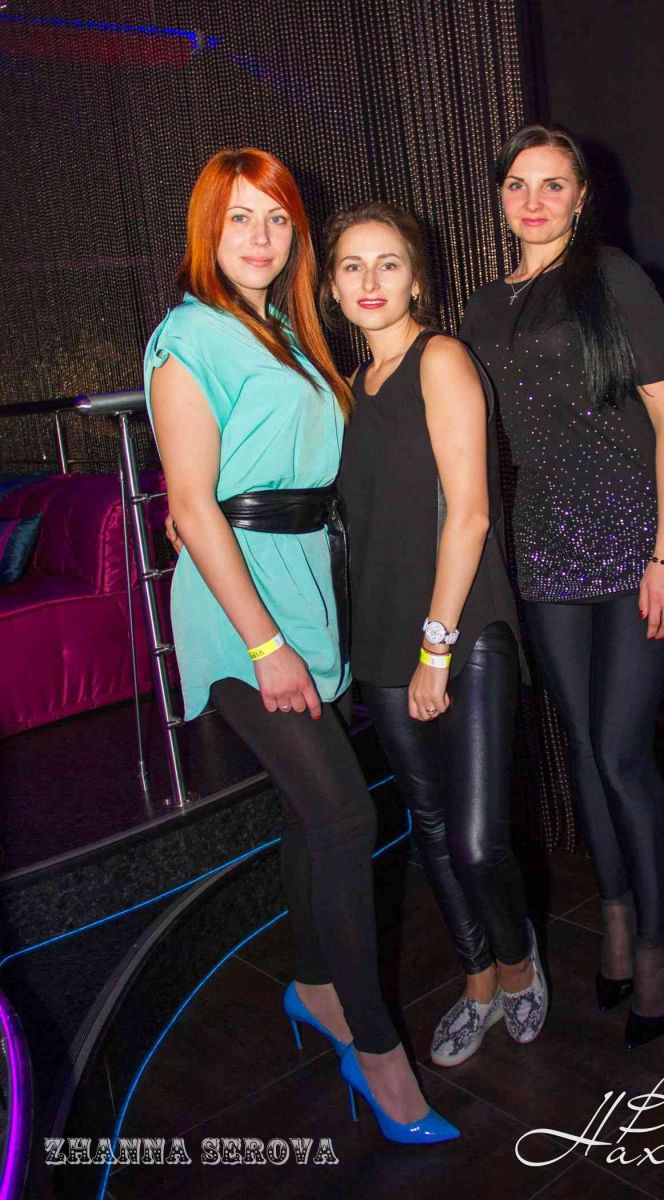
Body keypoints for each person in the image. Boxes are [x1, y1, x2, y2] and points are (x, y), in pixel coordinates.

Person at [146, 148, 458, 1144]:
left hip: (306, 585)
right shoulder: (188, 335)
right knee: (344, 815)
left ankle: (315, 986)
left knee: (306, 808)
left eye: (277, 219)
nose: (260, 237)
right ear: (208, 228)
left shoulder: (284, 329)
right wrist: (265, 643)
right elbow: (193, 507)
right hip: (241, 608)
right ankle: (377, 1052)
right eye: (240, 217)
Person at [459, 124, 664, 1050]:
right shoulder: (483, 307)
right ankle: (618, 916)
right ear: (501, 196)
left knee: (624, 752)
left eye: (553, 184)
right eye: (519, 183)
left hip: (633, 540)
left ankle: (660, 944)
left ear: (582, 196)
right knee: (587, 754)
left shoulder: (615, 280)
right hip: (545, 548)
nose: (534, 200)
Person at [322, 201, 548, 1067]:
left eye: (388, 264)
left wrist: (437, 645)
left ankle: (519, 961)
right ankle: (477, 978)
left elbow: (472, 514)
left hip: (463, 627)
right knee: (428, 827)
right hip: (380, 636)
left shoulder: (442, 359)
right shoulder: (347, 390)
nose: (370, 281)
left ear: (417, 279)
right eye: (352, 265)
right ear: (332, 285)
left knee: (477, 839)